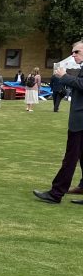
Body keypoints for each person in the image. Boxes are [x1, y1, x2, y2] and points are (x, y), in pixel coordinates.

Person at [34, 42, 83, 204]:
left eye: (77, 52)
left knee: (70, 158)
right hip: (79, 120)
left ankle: (56, 193)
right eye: (73, 52)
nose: (74, 54)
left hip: (80, 122)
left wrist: (65, 77)